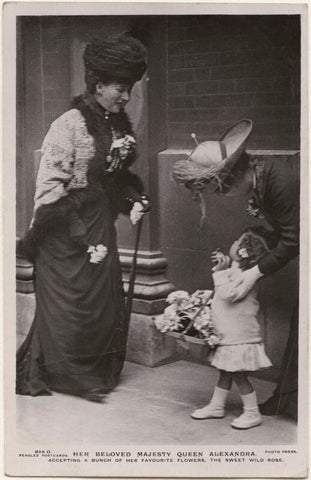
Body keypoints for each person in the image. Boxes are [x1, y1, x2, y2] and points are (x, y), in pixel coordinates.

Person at [16, 33, 149, 402]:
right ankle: (69, 376)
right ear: (99, 84)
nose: (126, 97)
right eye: (121, 89)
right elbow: (48, 191)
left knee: (101, 303)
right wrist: (81, 236)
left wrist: (135, 198)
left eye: (130, 90)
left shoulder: (118, 124)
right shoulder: (68, 124)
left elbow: (116, 178)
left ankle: (91, 372)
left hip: (100, 224)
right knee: (71, 308)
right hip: (64, 232)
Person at [172, 119, 300, 419]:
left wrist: (252, 272)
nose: (221, 197)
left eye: (219, 191)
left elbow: (295, 239)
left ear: (231, 180)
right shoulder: (263, 179)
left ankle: (290, 401)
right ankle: (290, 400)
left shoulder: (281, 181)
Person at [191, 227, 275, 429]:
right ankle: (217, 406)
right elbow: (228, 277)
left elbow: (229, 294)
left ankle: (252, 413)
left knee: (239, 375)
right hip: (229, 333)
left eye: (237, 241)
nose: (233, 242)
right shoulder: (238, 269)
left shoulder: (249, 276)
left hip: (239, 336)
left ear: (244, 251)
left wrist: (220, 273)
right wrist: (224, 265)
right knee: (225, 372)